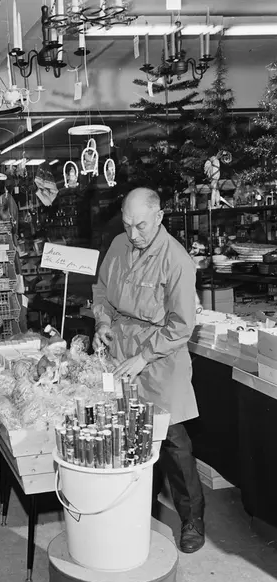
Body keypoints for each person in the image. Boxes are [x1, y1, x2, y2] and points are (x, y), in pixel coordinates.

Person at [92, 187, 205, 554]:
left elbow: (181, 326)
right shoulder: (118, 246)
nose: (133, 233)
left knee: (172, 439)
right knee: (127, 434)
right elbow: (101, 293)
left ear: (159, 217)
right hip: (119, 350)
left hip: (160, 356)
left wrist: (143, 357)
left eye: (140, 225)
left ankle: (192, 519)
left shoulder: (177, 260)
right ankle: (138, 506)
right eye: (127, 224)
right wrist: (102, 323)